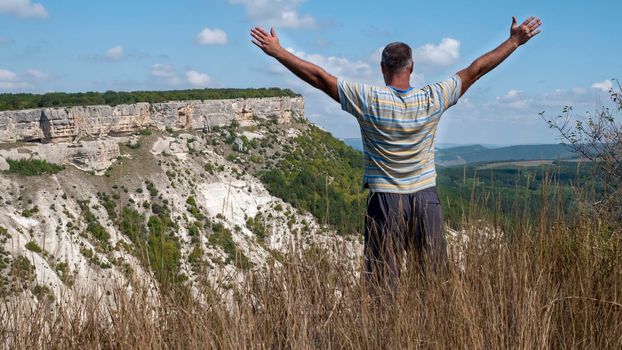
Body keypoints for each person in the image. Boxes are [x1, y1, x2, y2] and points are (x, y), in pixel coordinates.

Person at [250, 16, 542, 286]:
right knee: (433, 281)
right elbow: (476, 70)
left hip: (385, 200)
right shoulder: (433, 97)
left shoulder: (369, 99)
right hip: (426, 198)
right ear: (411, 67)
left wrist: (279, 52)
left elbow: (320, 78)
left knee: (381, 282)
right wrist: (514, 42)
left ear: (382, 68)